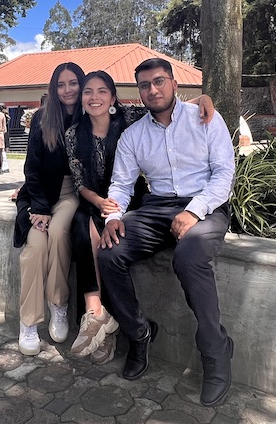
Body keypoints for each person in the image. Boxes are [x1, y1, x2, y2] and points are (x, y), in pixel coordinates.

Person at [97, 58, 235, 407]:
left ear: (174, 83)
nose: (152, 90)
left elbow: (223, 175)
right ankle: (140, 333)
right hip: (156, 208)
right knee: (109, 252)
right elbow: (121, 184)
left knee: (189, 257)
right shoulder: (133, 134)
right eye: (144, 85)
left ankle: (216, 350)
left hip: (205, 204)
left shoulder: (205, 118)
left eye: (159, 81)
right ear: (139, 92)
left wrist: (194, 210)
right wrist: (113, 217)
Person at [65, 70, 216, 365]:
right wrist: (100, 202)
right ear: (82, 98)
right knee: (83, 227)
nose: (94, 97)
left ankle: (108, 326)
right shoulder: (74, 132)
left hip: (130, 200)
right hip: (99, 199)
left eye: (101, 91)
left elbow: (171, 104)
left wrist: (206, 98)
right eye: (87, 92)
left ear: (112, 97)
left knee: (113, 242)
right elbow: (79, 181)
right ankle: (96, 315)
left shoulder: (130, 118)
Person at [14, 63, 86, 357]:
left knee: (58, 233)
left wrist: (198, 100)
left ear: (82, 85)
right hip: (40, 196)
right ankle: (28, 322)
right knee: (35, 246)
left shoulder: (90, 114)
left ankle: (59, 304)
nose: (67, 90)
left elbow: (133, 114)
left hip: (71, 195)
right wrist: (38, 208)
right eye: (61, 84)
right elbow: (31, 166)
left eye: (73, 83)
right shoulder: (44, 118)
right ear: (53, 89)